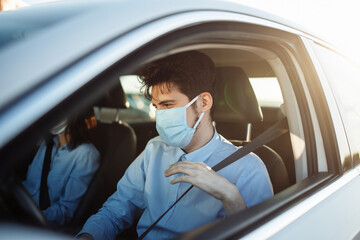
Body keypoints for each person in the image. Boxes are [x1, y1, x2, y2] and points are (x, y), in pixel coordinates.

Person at [77, 51, 273, 239]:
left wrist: (230, 196)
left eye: (168, 105)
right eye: (156, 106)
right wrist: (88, 235)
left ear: (203, 103)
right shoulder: (155, 149)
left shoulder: (248, 169)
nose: (159, 116)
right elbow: (117, 208)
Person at [23, 111, 100, 225]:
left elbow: (66, 212)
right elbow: (27, 186)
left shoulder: (86, 154)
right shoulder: (47, 145)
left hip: (38, 226)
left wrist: (27, 218)